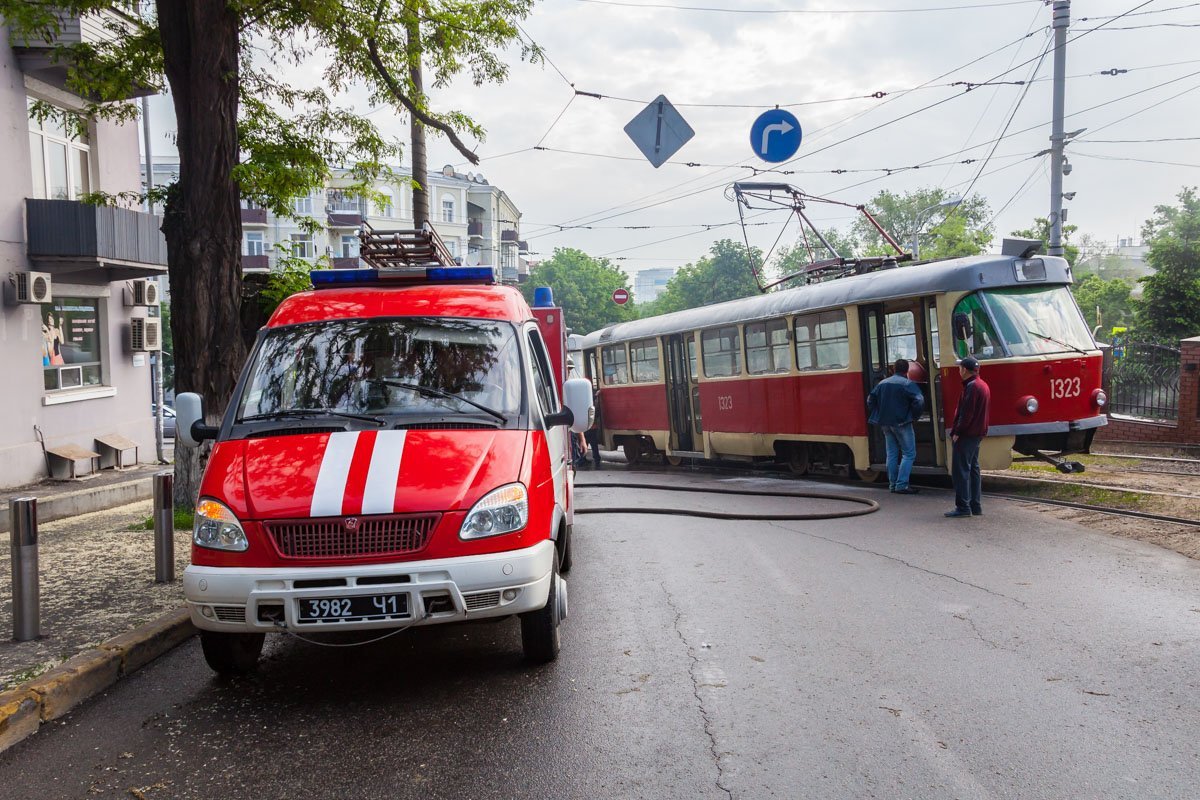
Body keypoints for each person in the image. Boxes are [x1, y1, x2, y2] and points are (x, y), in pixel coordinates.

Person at [867, 358, 925, 494]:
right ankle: (902, 484)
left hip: (885, 423)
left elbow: (870, 400)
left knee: (891, 453)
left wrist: (878, 413)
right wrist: (913, 415)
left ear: (893, 369)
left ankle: (892, 484)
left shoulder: (882, 383)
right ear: (907, 371)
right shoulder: (907, 384)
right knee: (909, 453)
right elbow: (919, 400)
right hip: (902, 422)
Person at [945, 356, 991, 518]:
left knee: (961, 470)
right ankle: (975, 505)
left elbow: (966, 414)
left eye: (960, 368)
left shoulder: (971, 387)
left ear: (964, 370)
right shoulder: (982, 385)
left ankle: (963, 507)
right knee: (973, 469)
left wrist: (957, 432)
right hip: (977, 433)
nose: (959, 370)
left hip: (967, 434)